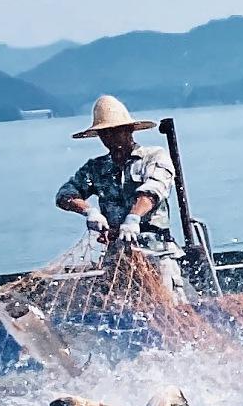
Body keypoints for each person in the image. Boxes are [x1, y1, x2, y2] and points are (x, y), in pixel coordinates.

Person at [53, 96, 183, 288]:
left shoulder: (153, 157)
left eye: (115, 131)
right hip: (117, 258)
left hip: (156, 253)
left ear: (129, 129)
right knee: (119, 307)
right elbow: (65, 194)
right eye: (104, 133)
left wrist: (134, 218)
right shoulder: (96, 168)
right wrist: (89, 211)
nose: (110, 138)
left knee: (166, 308)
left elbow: (153, 191)